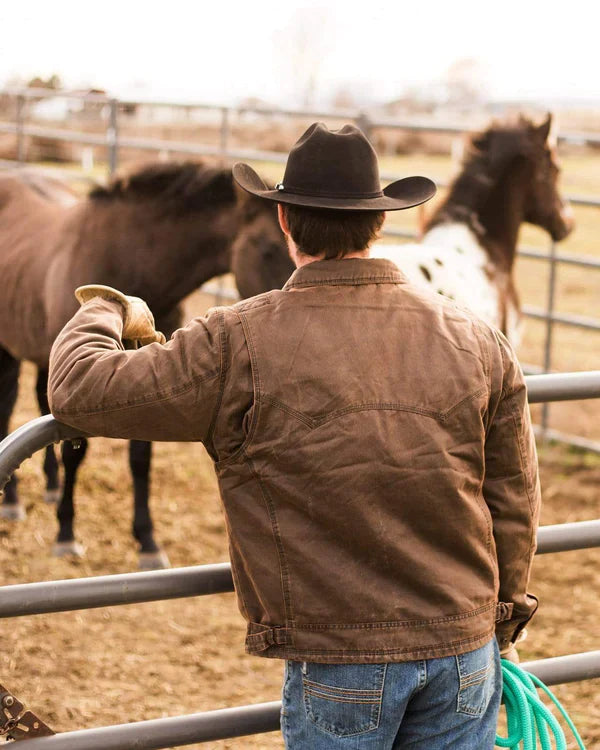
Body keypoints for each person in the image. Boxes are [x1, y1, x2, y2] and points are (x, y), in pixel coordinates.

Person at [48, 122, 540, 749]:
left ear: (283, 220)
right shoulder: (473, 337)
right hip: (463, 653)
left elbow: (78, 388)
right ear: (379, 223)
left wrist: (106, 307)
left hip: (341, 655)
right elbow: (514, 494)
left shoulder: (236, 341)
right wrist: (502, 620)